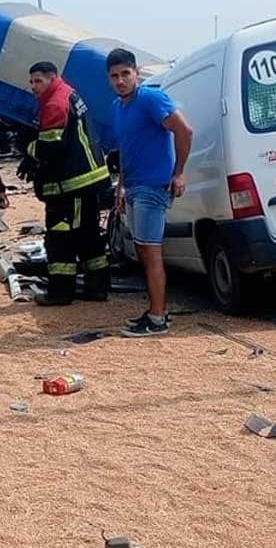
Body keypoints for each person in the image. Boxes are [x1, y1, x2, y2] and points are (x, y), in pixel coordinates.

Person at [107, 48, 194, 337]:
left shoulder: (150, 99)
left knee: (151, 251)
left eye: (125, 74)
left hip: (153, 186)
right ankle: (156, 310)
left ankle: (157, 319)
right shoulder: (118, 107)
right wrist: (121, 186)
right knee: (143, 249)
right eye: (114, 76)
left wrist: (179, 172)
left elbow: (184, 130)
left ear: (136, 73)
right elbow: (126, 148)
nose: (120, 81)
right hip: (134, 186)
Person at [18, 62, 112, 306]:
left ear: (52, 78)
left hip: (73, 185)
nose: (33, 87)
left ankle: (60, 292)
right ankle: (97, 287)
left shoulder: (55, 103)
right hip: (86, 181)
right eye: (31, 81)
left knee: (61, 237)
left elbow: (51, 146)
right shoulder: (68, 93)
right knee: (88, 234)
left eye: (38, 81)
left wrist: (28, 149)